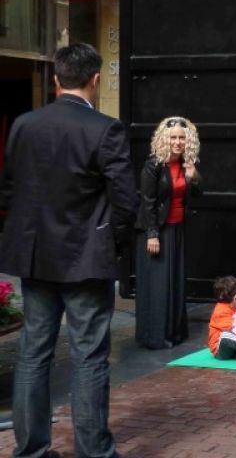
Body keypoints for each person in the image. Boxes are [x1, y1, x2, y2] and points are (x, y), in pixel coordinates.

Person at [0, 43, 138, 458]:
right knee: (89, 355)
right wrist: (111, 240)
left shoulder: (25, 124)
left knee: (33, 352)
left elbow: (10, 186)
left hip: (36, 254)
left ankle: (31, 450)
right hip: (85, 257)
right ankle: (94, 451)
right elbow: (126, 198)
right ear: (95, 80)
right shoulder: (104, 128)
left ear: (57, 79)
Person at [135, 115, 202, 350]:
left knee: (175, 282)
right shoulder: (154, 164)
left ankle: (174, 333)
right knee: (158, 285)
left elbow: (199, 194)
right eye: (173, 137)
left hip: (178, 229)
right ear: (165, 138)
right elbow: (147, 201)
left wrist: (194, 177)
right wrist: (152, 233)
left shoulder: (187, 163)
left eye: (182, 138)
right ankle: (155, 336)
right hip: (158, 232)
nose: (177, 142)